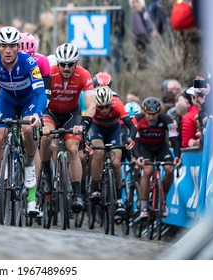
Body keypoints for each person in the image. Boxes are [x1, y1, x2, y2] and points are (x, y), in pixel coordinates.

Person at [0, 26, 46, 215]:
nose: (8, 50)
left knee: (28, 130)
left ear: (18, 47)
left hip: (28, 100)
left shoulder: (29, 62)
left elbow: (40, 93)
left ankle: (30, 164)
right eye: (3, 46)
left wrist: (38, 114)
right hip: (6, 100)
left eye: (12, 46)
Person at [40, 43, 96, 213]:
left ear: (75, 63)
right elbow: (41, 98)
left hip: (72, 114)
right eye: (62, 64)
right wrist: (41, 123)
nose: (66, 68)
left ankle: (77, 195)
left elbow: (91, 104)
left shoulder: (84, 75)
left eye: (70, 64)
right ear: (57, 63)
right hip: (50, 112)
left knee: (73, 149)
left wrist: (84, 123)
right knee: (46, 137)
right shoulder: (50, 72)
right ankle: (47, 174)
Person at [88, 86, 136, 218]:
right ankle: (95, 188)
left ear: (111, 102)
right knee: (98, 152)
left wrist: (130, 138)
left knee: (116, 163)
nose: (104, 110)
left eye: (107, 106)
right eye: (101, 107)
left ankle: (119, 199)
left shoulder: (117, 103)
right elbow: (84, 124)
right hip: (96, 127)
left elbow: (131, 126)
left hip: (114, 129)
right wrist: (84, 141)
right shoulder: (92, 104)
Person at [133, 97, 182, 220]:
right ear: (144, 112)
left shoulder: (167, 120)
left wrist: (177, 156)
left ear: (159, 112)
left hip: (161, 148)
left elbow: (174, 140)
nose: (151, 117)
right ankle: (144, 208)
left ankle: (162, 199)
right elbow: (135, 141)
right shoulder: (137, 119)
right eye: (149, 114)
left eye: (154, 114)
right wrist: (138, 157)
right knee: (148, 170)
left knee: (170, 169)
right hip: (145, 148)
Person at [19, 32, 51, 215]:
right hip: (14, 99)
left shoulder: (42, 62)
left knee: (31, 135)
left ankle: (33, 194)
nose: (26, 60)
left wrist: (42, 117)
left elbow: (46, 95)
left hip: (33, 102)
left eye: (29, 56)